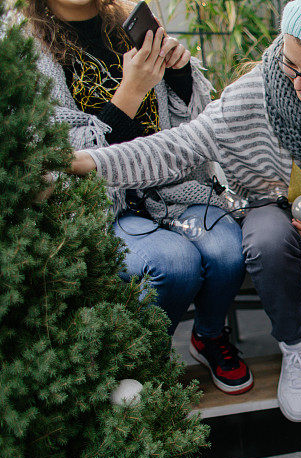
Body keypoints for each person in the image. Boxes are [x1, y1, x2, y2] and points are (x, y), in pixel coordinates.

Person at [69, 0, 301, 422]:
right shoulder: (256, 94)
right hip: (274, 208)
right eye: (291, 64)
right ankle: (297, 347)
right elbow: (179, 146)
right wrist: (92, 161)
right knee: (264, 239)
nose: (299, 82)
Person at [23, 0, 252, 394]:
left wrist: (179, 73)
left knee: (229, 249)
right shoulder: (27, 48)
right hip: (101, 204)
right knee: (174, 263)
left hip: (170, 185)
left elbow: (190, 125)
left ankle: (209, 335)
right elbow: (54, 157)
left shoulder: (125, 23)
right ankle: (146, 357)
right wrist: (129, 93)